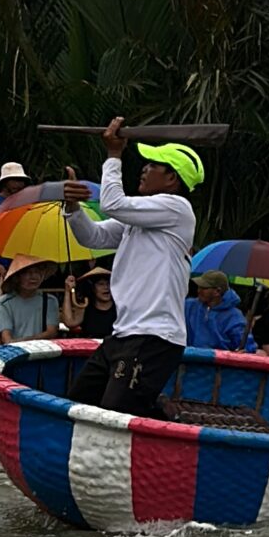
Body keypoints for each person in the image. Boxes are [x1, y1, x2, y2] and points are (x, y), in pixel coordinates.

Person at [61, 120, 202, 414]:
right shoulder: (139, 218)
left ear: (171, 179)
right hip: (124, 333)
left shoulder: (176, 208)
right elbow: (94, 236)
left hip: (154, 337)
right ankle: (156, 407)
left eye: (152, 165)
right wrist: (72, 209)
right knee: (78, 403)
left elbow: (113, 203)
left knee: (114, 412)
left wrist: (114, 155)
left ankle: (160, 413)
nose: (144, 169)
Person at [0, 257, 61, 344]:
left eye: (37, 272)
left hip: (42, 352)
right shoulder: (5, 302)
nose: (34, 277)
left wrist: (25, 342)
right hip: (15, 353)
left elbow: (51, 332)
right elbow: (6, 338)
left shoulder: (49, 301)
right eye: (27, 272)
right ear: (17, 277)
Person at [185, 270, 248, 352]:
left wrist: (244, 351)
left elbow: (245, 346)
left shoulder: (235, 316)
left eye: (204, 288)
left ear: (217, 291)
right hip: (187, 360)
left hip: (218, 363)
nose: (198, 291)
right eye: (199, 287)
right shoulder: (188, 305)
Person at [59, 266, 117, 341]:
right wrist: (67, 291)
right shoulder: (85, 306)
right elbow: (70, 322)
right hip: (91, 349)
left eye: (108, 283)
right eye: (101, 284)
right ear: (92, 288)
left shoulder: (119, 306)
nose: (106, 287)